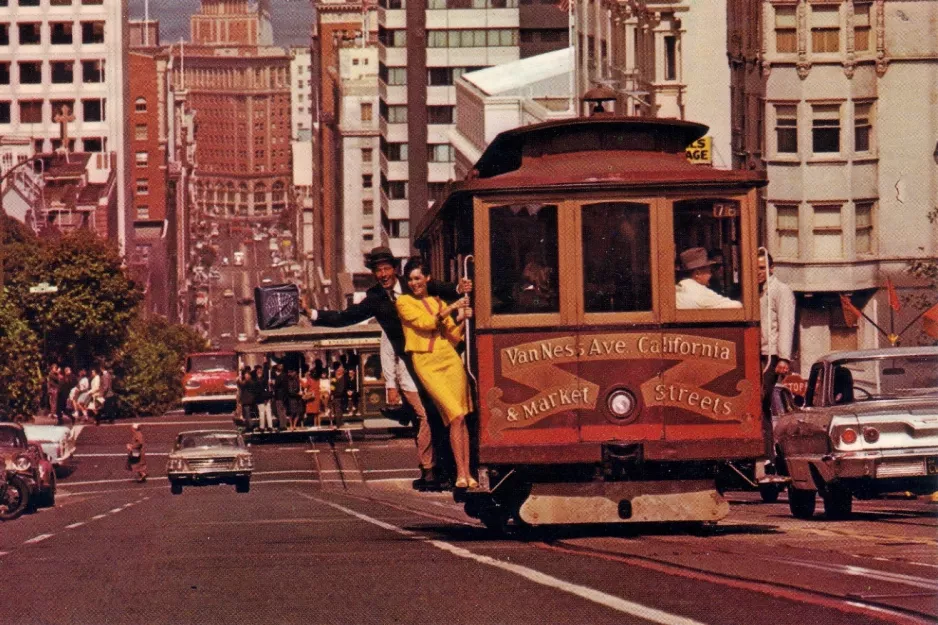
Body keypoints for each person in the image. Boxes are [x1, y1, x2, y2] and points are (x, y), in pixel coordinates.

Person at [302, 246, 470, 490]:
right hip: (411, 363)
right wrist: (313, 314)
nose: (382, 274)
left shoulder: (413, 282)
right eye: (377, 270)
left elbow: (442, 288)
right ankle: (431, 470)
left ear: (394, 269)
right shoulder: (374, 298)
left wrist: (459, 288)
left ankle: (448, 470)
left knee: (444, 412)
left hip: (438, 357)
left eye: (386, 269)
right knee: (425, 414)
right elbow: (345, 317)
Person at [396, 257, 477, 489]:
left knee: (460, 416)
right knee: (453, 414)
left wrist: (464, 318)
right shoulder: (403, 303)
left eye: (418, 278)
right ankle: (461, 472)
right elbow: (425, 323)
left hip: (449, 359)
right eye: (410, 279)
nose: (414, 283)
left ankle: (466, 474)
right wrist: (454, 308)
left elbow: (453, 336)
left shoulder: (438, 302)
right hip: (427, 363)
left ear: (427, 278)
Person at [758, 251, 796, 463]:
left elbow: (786, 323)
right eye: (755, 269)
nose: (758, 273)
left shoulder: (781, 290)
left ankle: (768, 457)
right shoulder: (755, 292)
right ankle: (765, 456)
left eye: (762, 268)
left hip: (771, 355)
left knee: (760, 400)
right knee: (758, 404)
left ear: (771, 269)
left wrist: (783, 358)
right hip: (757, 352)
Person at [675, 247, 743, 310]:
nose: (711, 274)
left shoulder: (678, 289)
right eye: (709, 270)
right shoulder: (699, 291)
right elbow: (737, 306)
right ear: (697, 273)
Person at [254, 365, 275, 433]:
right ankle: (266, 427)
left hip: (263, 398)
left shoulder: (260, 380)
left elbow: (262, 390)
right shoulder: (262, 379)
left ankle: (266, 427)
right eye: (258, 370)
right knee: (263, 413)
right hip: (262, 398)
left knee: (266, 412)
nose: (259, 371)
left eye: (260, 370)